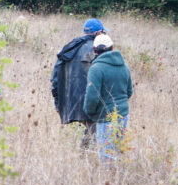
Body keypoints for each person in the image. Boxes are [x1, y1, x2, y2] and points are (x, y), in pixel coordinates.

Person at [51, 18, 107, 148]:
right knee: (94, 132)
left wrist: (58, 104)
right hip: (91, 101)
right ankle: (86, 160)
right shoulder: (97, 50)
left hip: (72, 103)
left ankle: (85, 159)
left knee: (91, 131)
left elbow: (55, 79)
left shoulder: (70, 48)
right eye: (103, 32)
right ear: (98, 33)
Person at [83, 33, 133, 161]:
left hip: (105, 117)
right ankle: (118, 179)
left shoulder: (96, 69)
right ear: (112, 48)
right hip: (123, 115)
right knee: (117, 151)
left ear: (94, 50)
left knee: (106, 157)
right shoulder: (124, 67)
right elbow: (129, 92)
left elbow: (92, 98)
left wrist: (90, 113)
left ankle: (109, 178)